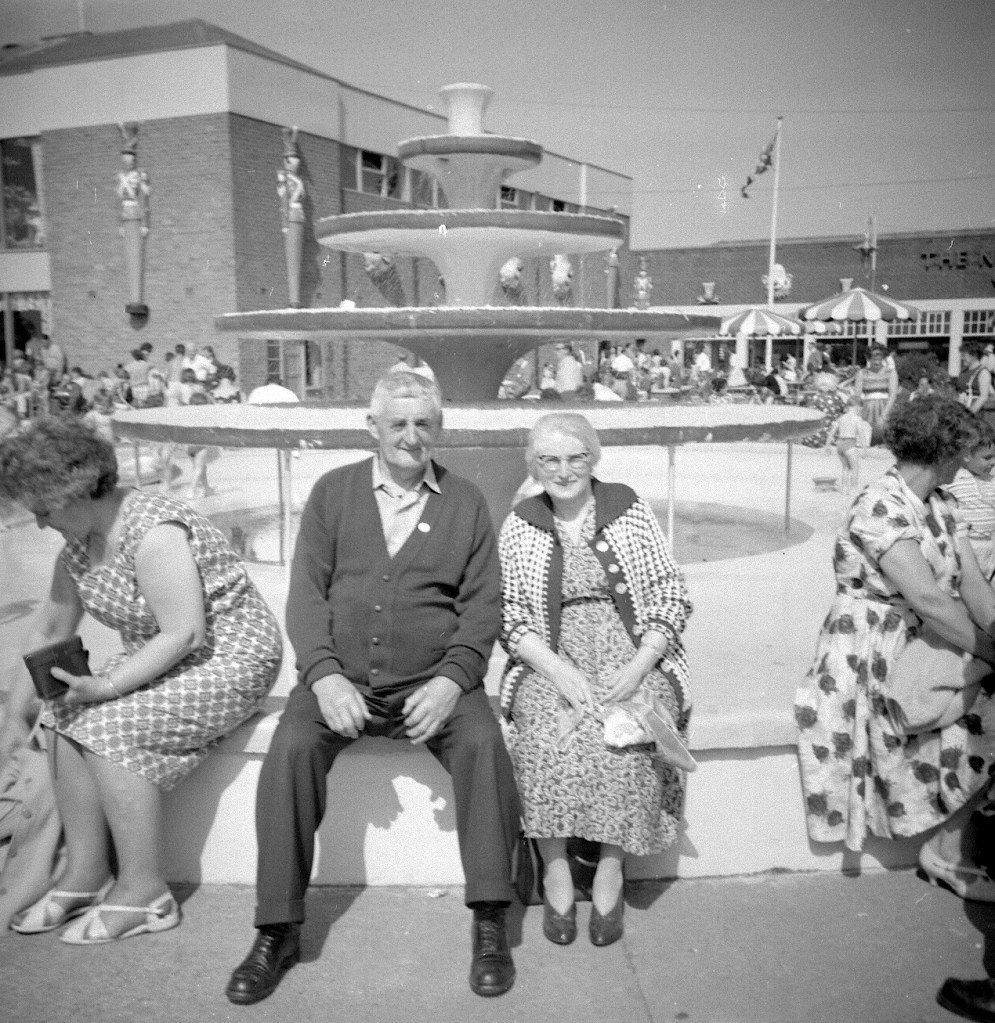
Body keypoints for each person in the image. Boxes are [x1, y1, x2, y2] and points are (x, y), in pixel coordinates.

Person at [225, 371, 521, 1005]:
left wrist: (452, 682)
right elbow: (306, 596)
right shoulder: (333, 493)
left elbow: (482, 608)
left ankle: (491, 917)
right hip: (342, 681)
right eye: (398, 424)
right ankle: (277, 928)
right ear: (373, 428)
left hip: (434, 682)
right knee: (291, 751)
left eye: (424, 424)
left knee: (483, 745)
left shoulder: (465, 501)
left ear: (439, 429)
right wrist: (325, 676)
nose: (412, 437)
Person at [0, 417, 281, 942]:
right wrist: (15, 718)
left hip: (230, 658)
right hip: (165, 655)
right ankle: (86, 874)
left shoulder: (152, 530)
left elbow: (184, 633)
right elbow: (49, 629)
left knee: (109, 726)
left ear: (75, 492)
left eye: (43, 509)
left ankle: (146, 893)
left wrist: (107, 688)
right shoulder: (79, 545)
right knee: (62, 712)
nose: (37, 524)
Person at [498, 412, 692, 947]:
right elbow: (509, 614)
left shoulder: (627, 508)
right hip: (551, 657)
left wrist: (640, 665)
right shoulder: (521, 522)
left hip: (632, 652)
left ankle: (611, 867)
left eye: (575, 457)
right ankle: (555, 868)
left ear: (594, 458)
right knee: (543, 736)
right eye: (549, 460)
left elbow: (670, 589)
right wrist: (559, 672)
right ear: (534, 466)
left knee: (629, 737)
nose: (563, 471)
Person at [795, 397, 995, 895]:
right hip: (873, 649)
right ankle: (948, 854)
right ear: (944, 450)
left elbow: (973, 586)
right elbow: (928, 598)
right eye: (963, 447)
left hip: (925, 642)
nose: (969, 457)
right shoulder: (879, 505)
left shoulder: (943, 503)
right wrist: (990, 652)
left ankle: (949, 849)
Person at [947, 418, 995, 581]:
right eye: (987, 458)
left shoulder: (992, 481)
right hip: (966, 544)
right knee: (968, 582)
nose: (993, 463)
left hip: (990, 544)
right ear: (967, 456)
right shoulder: (954, 480)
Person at [825, 394, 870, 498]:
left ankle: (844, 488)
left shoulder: (841, 418)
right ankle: (853, 489)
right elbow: (861, 434)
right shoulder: (857, 419)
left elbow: (832, 432)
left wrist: (827, 445)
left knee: (845, 467)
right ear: (857, 407)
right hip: (850, 443)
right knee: (855, 467)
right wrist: (864, 449)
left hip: (840, 444)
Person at [853, 345, 898, 443]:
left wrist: (884, 415)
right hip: (867, 411)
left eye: (879, 359)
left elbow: (893, 395)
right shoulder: (862, 373)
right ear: (869, 359)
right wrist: (856, 416)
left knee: (885, 439)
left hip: (885, 408)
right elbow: (857, 397)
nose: (877, 362)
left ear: (883, 358)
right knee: (867, 440)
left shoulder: (891, 372)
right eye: (874, 359)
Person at [959, 342, 995, 429]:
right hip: (961, 413)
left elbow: (983, 397)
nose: (962, 358)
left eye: (964, 355)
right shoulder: (963, 372)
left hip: (974, 417)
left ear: (973, 355)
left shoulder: (983, 372)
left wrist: (969, 414)